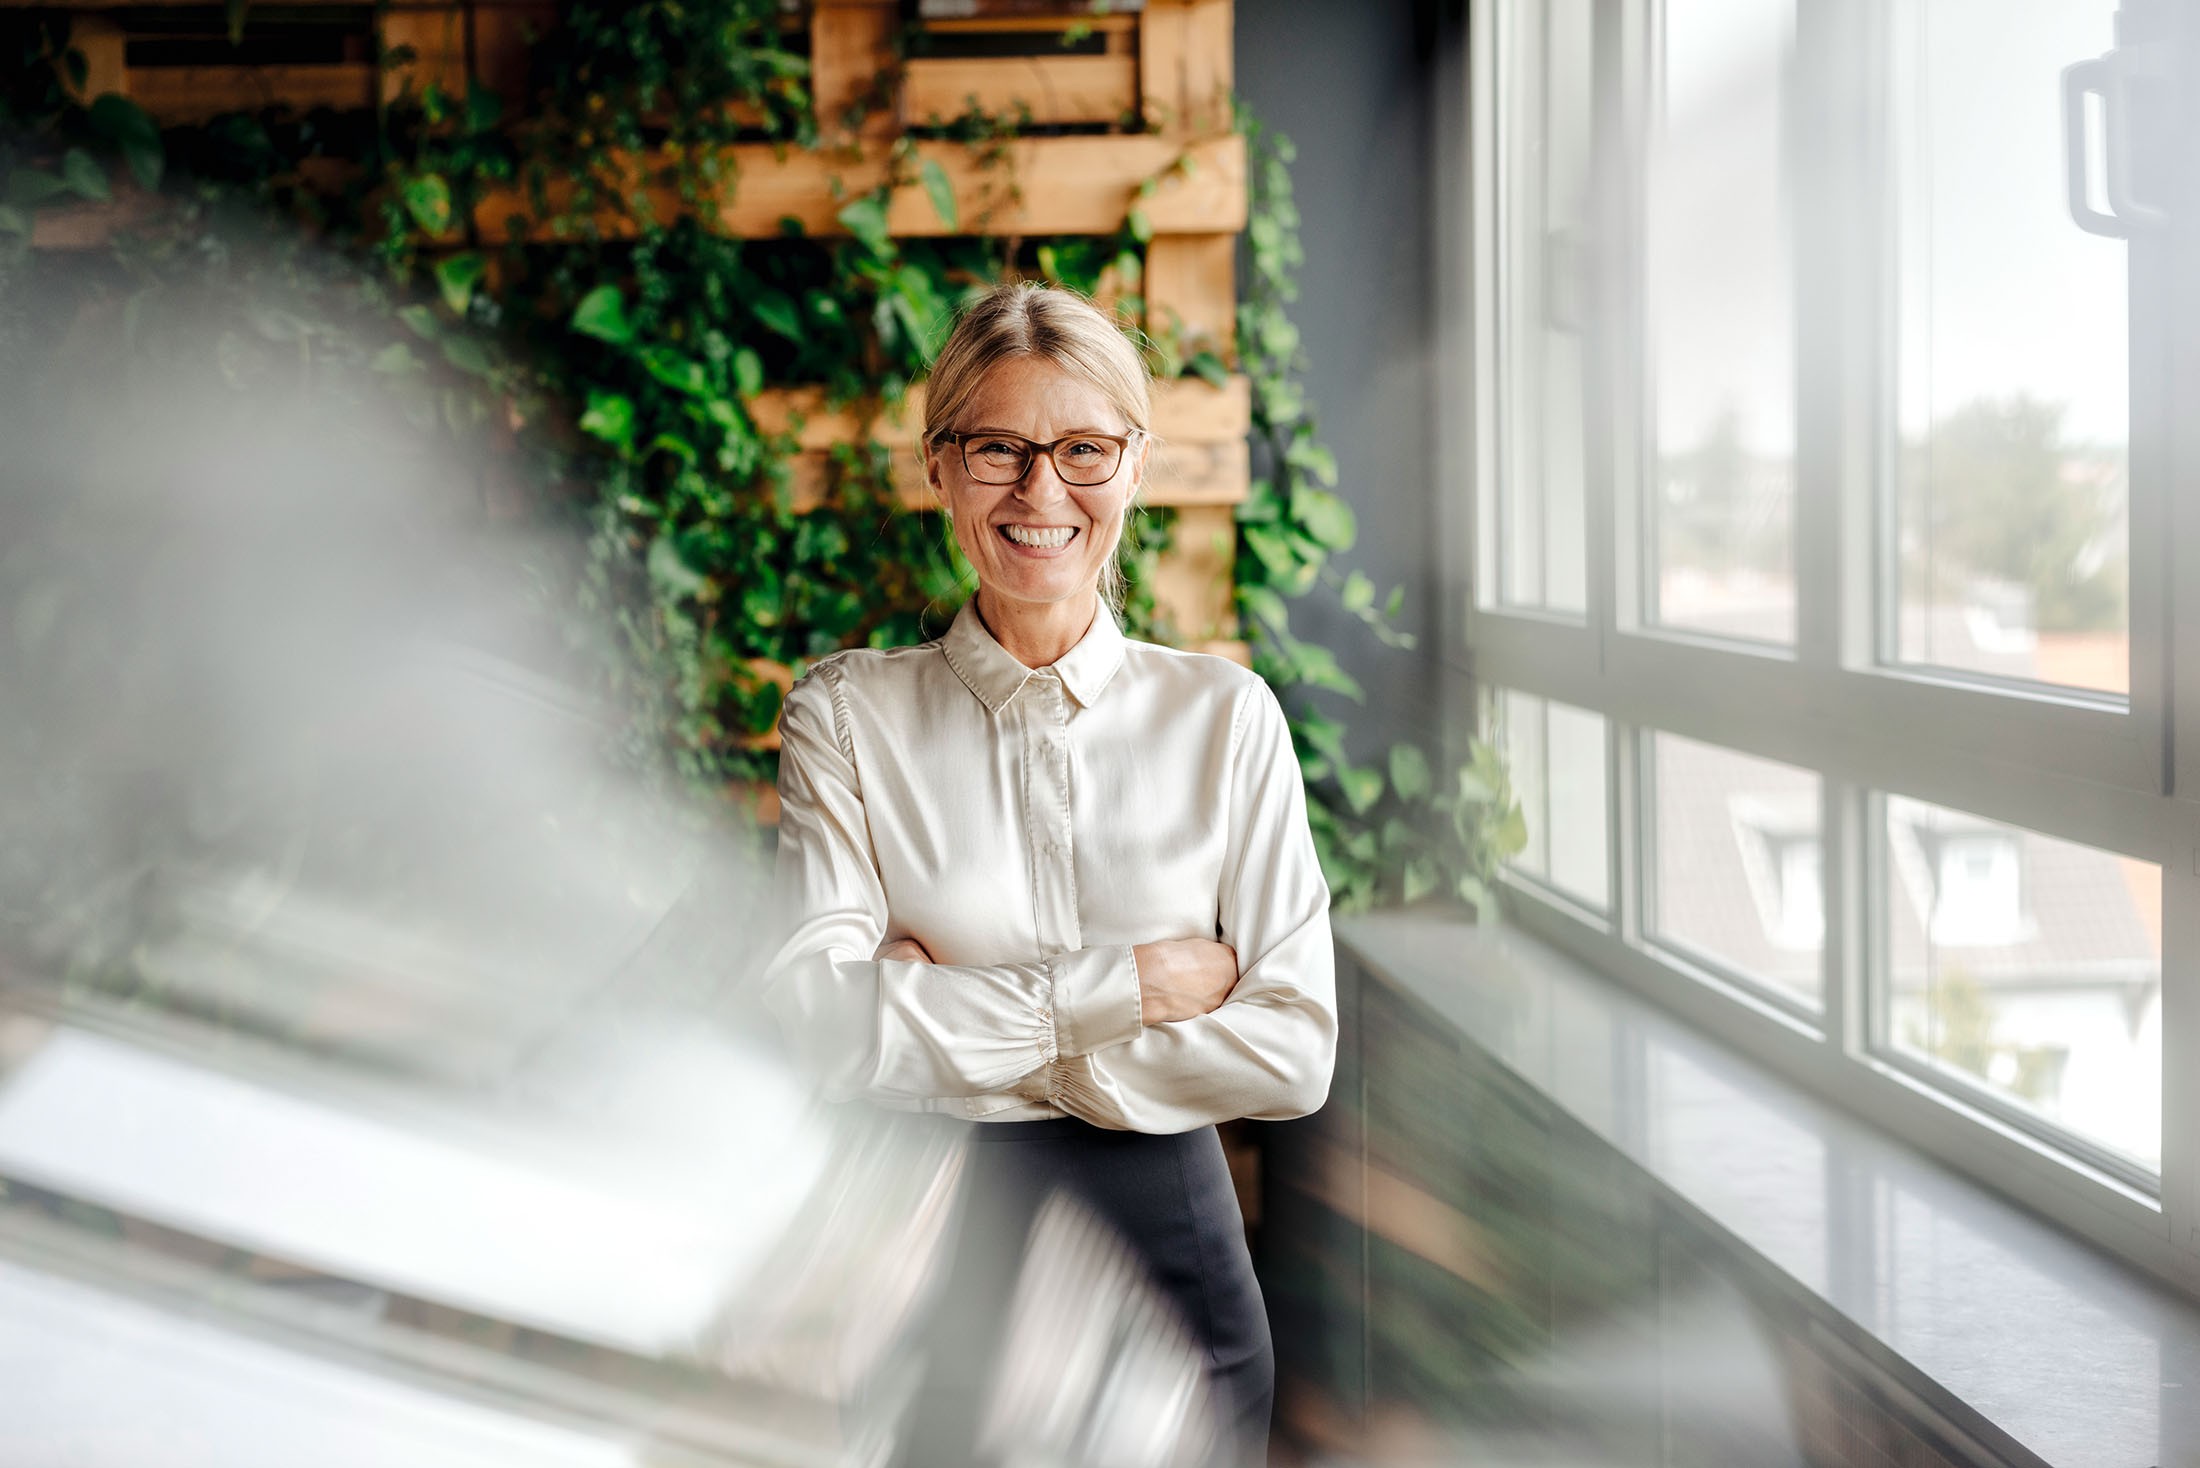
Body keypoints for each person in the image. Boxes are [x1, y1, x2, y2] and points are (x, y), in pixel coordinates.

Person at [758, 280, 1338, 1466]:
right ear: (940, 466)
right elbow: (817, 1023)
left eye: (1081, 449)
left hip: (1172, 1262)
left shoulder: (1227, 717)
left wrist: (932, 1015)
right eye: (998, 450)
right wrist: (1130, 988)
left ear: (1132, 464)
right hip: (920, 1250)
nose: (1039, 492)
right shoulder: (847, 714)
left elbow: (1293, 1050)